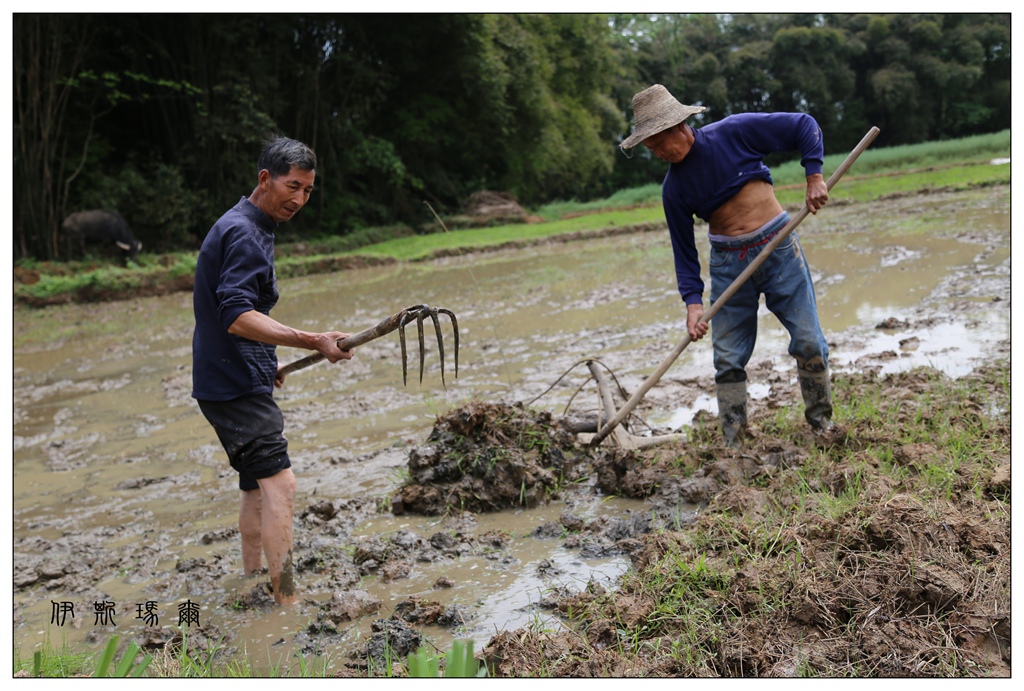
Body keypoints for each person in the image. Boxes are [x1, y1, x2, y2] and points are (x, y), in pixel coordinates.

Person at [620, 84, 835, 448]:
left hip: (778, 247)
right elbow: (684, 251)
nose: (655, 152)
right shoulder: (673, 189)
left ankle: (822, 424)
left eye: (656, 143)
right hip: (728, 264)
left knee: (809, 341)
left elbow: (804, 125)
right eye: (649, 148)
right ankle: (734, 442)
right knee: (728, 358)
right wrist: (693, 305)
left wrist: (814, 176)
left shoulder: (734, 132)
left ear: (677, 126)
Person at [191, 136, 353, 604]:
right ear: (265, 179)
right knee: (281, 483)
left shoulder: (241, 223)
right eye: (292, 186)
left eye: (307, 191)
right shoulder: (245, 233)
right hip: (234, 385)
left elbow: (233, 318)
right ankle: (286, 602)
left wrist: (269, 361)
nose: (299, 199)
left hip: (227, 376)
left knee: (255, 488)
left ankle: (251, 579)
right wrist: (311, 340)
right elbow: (237, 316)